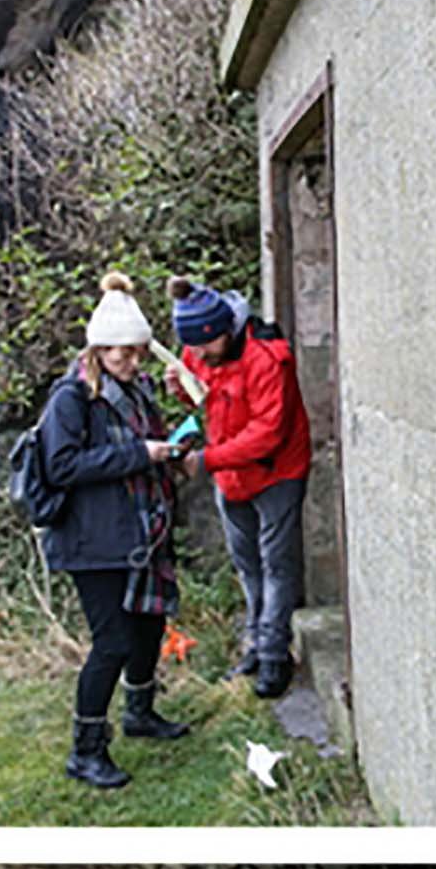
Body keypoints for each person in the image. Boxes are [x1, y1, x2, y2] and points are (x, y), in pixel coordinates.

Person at [35, 272, 193, 790]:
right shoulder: (71, 397)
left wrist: (172, 455)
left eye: (135, 351)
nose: (129, 360)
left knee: (148, 626)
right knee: (112, 642)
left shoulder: (137, 387)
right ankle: (86, 749)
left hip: (137, 534)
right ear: (97, 347)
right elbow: (61, 467)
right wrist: (136, 455)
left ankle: (140, 713)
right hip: (91, 540)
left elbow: (146, 443)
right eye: (118, 352)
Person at [173, 282, 313, 700]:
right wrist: (179, 387)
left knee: (277, 565)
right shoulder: (196, 346)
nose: (196, 356)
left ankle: (274, 657)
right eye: (190, 348)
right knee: (247, 563)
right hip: (232, 477)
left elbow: (267, 434)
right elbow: (197, 397)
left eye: (203, 346)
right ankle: (255, 642)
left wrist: (208, 460)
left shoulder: (268, 360)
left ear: (224, 330)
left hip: (277, 473)